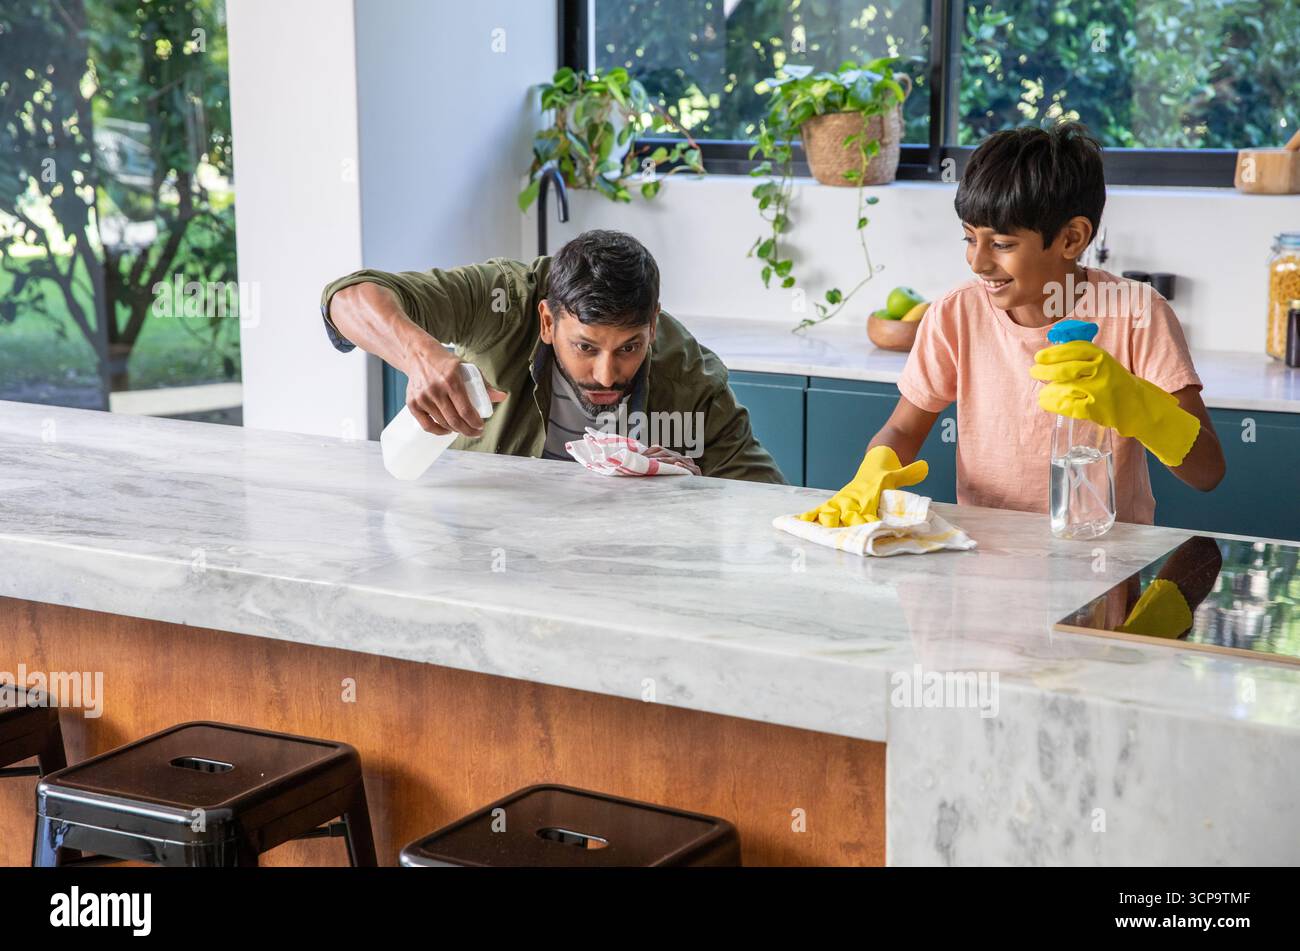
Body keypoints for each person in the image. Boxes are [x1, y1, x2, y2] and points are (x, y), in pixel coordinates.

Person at [801, 121, 1225, 527]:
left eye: (1002, 244)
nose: (978, 261)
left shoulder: (1135, 313)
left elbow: (1208, 472)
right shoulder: (956, 314)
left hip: (1102, 558)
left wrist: (1137, 405)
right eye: (970, 238)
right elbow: (901, 428)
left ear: (1072, 238)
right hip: (984, 558)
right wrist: (874, 470)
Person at [319, 229, 785, 483]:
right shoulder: (501, 301)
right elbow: (347, 298)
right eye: (585, 347)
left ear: (654, 325)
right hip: (473, 541)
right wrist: (421, 355)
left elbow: (764, 503)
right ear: (546, 321)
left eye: (630, 347)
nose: (607, 374)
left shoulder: (690, 378)